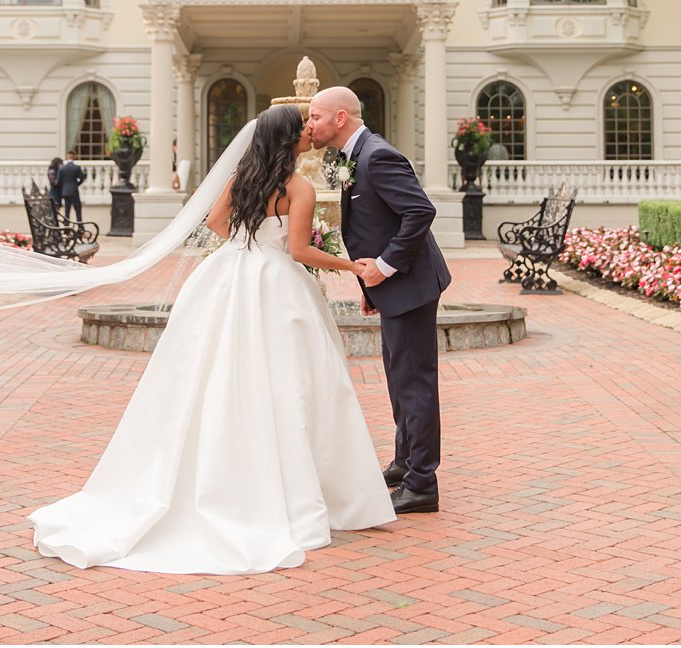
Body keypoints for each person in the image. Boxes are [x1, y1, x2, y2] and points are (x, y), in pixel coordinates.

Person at [29, 104, 396, 574]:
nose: (310, 132)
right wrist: (350, 264)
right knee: (288, 383)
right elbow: (302, 251)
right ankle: (300, 488)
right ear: (288, 140)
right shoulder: (298, 188)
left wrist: (253, 242)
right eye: (303, 128)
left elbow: (215, 224)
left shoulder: (243, 177)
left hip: (228, 274)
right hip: (277, 286)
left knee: (211, 375)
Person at [307, 86, 452, 515]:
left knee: (415, 385)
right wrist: (372, 287)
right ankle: (406, 463)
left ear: (339, 118)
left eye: (315, 116)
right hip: (393, 288)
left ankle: (423, 483)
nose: (309, 123)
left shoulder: (377, 155)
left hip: (410, 285)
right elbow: (376, 223)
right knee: (399, 381)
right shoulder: (356, 155)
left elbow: (419, 212)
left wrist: (385, 268)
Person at [58, 151, 86, 224]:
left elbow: (59, 181)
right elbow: (81, 179)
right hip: (74, 191)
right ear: (74, 157)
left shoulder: (62, 168)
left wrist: (64, 186)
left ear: (67, 157)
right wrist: (75, 184)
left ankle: (66, 228)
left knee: (67, 211)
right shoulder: (76, 168)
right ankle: (80, 227)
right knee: (78, 211)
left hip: (65, 191)